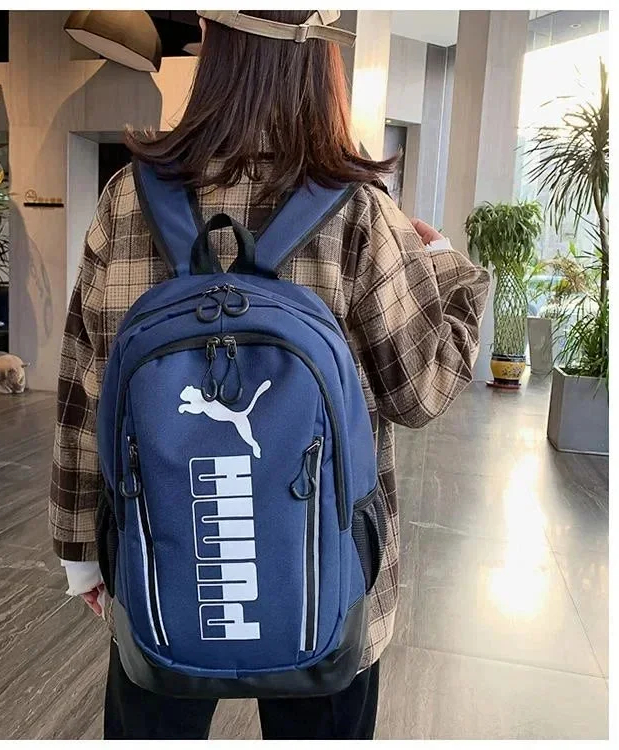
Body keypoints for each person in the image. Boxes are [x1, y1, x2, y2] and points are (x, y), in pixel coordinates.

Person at [49, 10, 490, 740]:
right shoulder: (358, 210)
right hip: (328, 581)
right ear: (320, 63)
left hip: (164, 560)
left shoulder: (128, 197)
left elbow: (82, 387)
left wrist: (80, 554)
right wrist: (445, 263)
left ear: (214, 48)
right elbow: (423, 391)